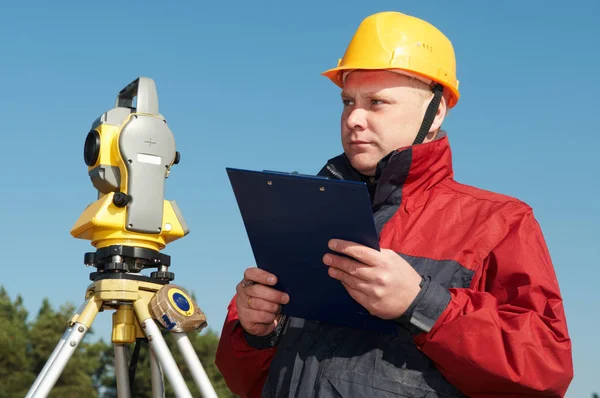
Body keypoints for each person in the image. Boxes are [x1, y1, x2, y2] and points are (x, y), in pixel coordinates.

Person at [215, 11, 573, 397]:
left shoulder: (501, 222)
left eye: (377, 102)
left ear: (435, 112)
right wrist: (255, 333)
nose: (354, 118)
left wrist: (422, 303)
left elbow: (546, 370)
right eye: (348, 101)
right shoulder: (303, 213)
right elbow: (242, 382)